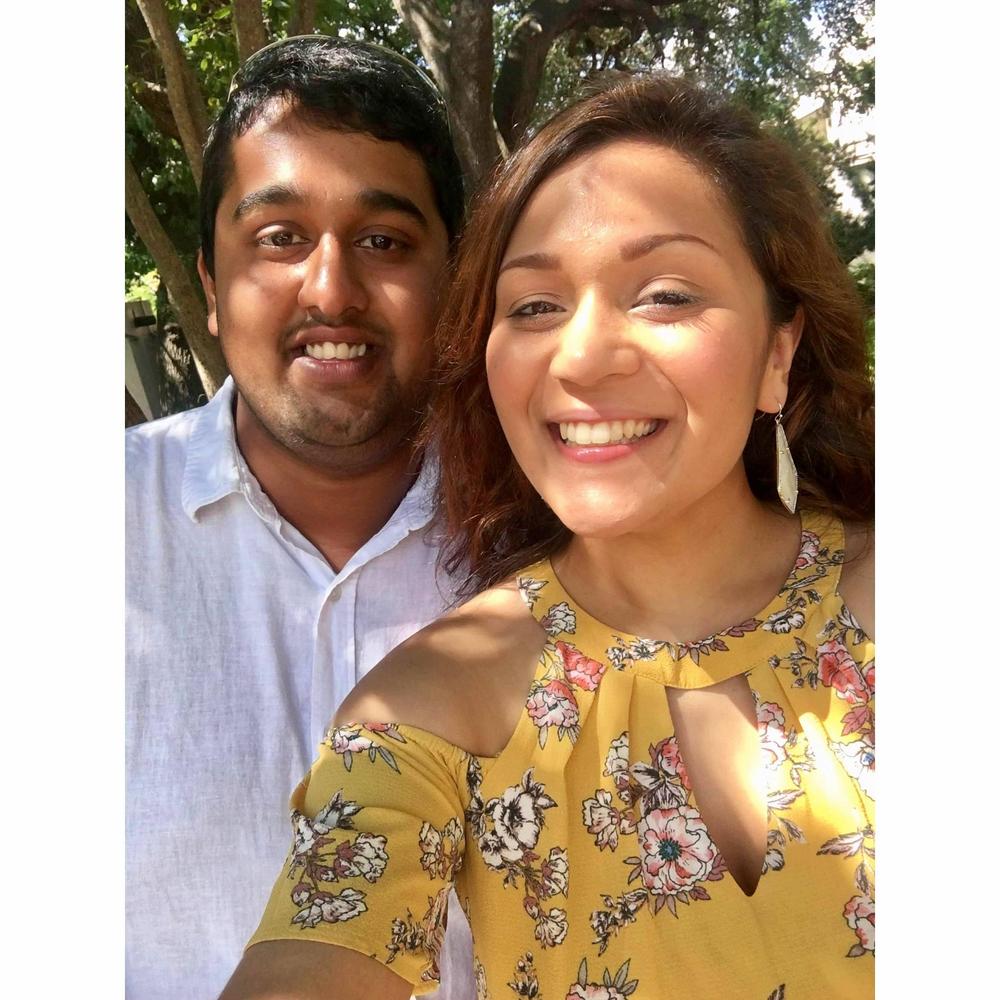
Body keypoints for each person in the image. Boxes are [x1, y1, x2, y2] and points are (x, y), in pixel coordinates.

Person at [220, 74, 875, 999]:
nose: (582, 357)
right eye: (533, 306)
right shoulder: (434, 703)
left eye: (665, 295)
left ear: (778, 353)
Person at [126, 36, 477, 999]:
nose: (331, 290)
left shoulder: (559, 543)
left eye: (385, 241)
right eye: (280, 237)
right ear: (209, 282)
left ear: (454, 280)